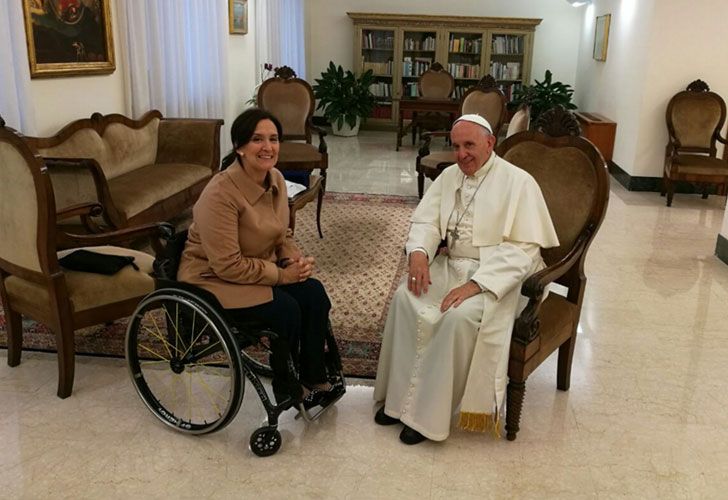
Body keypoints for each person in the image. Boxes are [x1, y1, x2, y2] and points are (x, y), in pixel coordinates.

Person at [373, 114, 559, 445]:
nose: (461, 155)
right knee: (406, 298)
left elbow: (522, 251)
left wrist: (476, 285)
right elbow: (428, 222)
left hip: (498, 277)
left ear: (491, 143)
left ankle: (427, 416)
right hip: (453, 265)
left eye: (469, 145)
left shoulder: (519, 182)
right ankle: (397, 402)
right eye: (456, 146)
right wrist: (418, 253)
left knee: (456, 317)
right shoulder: (448, 176)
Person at [177, 108, 341, 407]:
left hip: (255, 270)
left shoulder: (275, 178)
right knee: (286, 310)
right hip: (212, 279)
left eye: (274, 139)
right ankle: (286, 387)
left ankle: (313, 373)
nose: (268, 147)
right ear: (239, 147)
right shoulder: (220, 194)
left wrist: (293, 261)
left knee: (314, 294)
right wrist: (281, 276)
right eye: (257, 139)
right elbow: (226, 264)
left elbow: (282, 235)